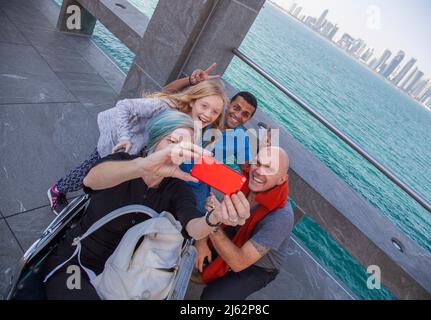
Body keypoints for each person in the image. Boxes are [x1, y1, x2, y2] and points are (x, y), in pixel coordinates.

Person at [43, 110, 250, 300]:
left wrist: (214, 218)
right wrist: (143, 167)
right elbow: (91, 180)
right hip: (76, 264)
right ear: (157, 138)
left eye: (184, 148)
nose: (175, 152)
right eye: (172, 141)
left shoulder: (178, 189)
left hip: (128, 279)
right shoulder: (123, 162)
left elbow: (193, 228)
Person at [48, 80, 228, 215]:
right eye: (204, 106)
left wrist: (210, 188)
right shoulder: (165, 107)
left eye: (215, 112)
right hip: (118, 142)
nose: (207, 114)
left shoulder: (198, 128)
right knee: (88, 172)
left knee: (112, 182)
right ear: (192, 101)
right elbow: (124, 105)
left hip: (139, 155)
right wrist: (125, 136)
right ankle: (57, 190)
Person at [193, 146, 294, 300]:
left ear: (282, 179)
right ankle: (207, 267)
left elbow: (239, 262)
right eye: (258, 163)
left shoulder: (280, 217)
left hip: (258, 266)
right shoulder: (243, 181)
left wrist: (212, 222)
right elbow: (200, 173)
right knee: (191, 234)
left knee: (214, 297)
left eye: (268, 168)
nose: (259, 171)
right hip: (236, 231)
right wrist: (200, 242)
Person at [165, 64, 259, 211]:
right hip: (170, 171)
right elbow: (167, 93)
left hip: (196, 187)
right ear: (228, 104)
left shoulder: (240, 139)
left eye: (245, 114)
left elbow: (248, 173)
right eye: (236, 108)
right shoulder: (208, 113)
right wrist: (190, 80)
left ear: (248, 119)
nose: (238, 115)